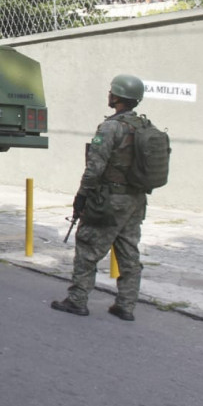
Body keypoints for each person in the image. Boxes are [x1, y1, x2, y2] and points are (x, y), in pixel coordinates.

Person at [52, 74, 149, 322]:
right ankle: (126, 305)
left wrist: (82, 196)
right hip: (136, 199)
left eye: (111, 92)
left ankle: (77, 300)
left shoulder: (109, 128)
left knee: (88, 247)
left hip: (110, 199)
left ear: (116, 96)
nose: (109, 95)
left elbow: (94, 167)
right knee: (128, 251)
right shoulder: (145, 127)